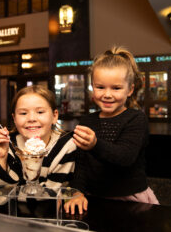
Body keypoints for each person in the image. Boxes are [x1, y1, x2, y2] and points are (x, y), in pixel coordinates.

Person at [65, 46, 159, 214]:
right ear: (92, 87)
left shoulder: (136, 119)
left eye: (116, 88)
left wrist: (95, 144)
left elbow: (125, 157)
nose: (107, 94)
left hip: (132, 200)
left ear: (130, 90)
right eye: (100, 87)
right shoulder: (87, 120)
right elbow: (81, 165)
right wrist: (77, 191)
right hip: (93, 197)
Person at [0, 85, 77, 206]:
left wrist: (14, 193)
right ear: (14, 119)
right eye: (23, 113)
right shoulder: (10, 145)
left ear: (55, 116)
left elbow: (49, 198)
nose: (31, 118)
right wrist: (1, 157)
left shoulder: (66, 146)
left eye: (40, 112)